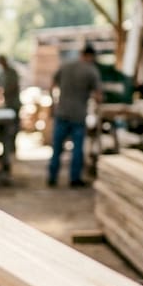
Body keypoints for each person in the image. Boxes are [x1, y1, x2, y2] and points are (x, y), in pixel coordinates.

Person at [48, 43, 103, 187]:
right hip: (78, 115)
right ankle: (74, 179)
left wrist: (53, 104)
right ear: (91, 56)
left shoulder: (66, 66)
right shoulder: (92, 71)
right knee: (77, 149)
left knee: (57, 148)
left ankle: (52, 177)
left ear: (81, 53)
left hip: (61, 113)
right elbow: (98, 96)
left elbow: (52, 85)